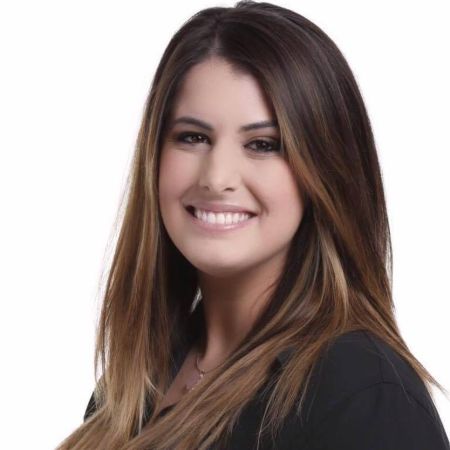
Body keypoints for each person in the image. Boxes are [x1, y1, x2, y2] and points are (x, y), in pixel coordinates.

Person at [57, 1, 450, 449]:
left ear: (326, 170)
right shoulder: (135, 383)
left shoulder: (361, 390)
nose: (217, 177)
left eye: (263, 144)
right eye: (193, 137)